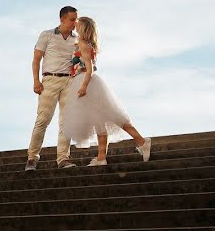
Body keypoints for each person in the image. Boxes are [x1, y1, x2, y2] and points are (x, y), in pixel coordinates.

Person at [60, 16, 151, 166]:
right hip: (85, 82)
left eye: (79, 24)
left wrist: (83, 86)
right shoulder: (85, 43)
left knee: (110, 118)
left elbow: (89, 70)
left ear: (84, 28)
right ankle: (102, 157)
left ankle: (142, 142)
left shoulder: (83, 44)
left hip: (86, 82)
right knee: (100, 122)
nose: (76, 26)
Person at [25, 5, 79, 171]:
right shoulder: (46, 35)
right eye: (72, 19)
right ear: (62, 19)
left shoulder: (77, 38)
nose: (75, 22)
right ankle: (32, 159)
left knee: (66, 122)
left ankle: (63, 158)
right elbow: (36, 59)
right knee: (43, 120)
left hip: (69, 82)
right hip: (50, 80)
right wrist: (36, 81)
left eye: (76, 19)